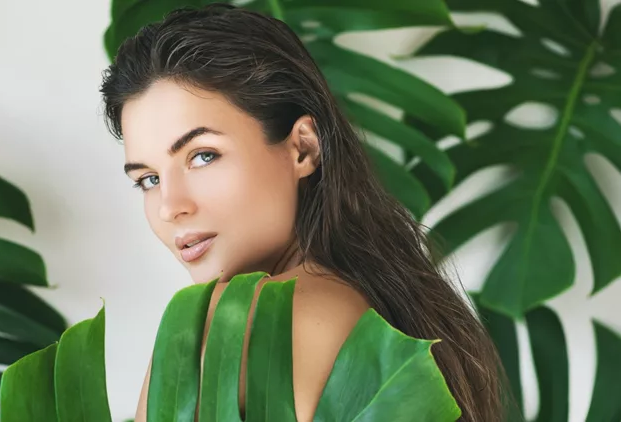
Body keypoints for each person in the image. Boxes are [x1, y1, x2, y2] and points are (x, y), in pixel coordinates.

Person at [100, 3, 505, 421]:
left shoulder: (234, 320)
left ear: (303, 147)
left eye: (203, 156)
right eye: (148, 179)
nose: (170, 207)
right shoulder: (396, 309)